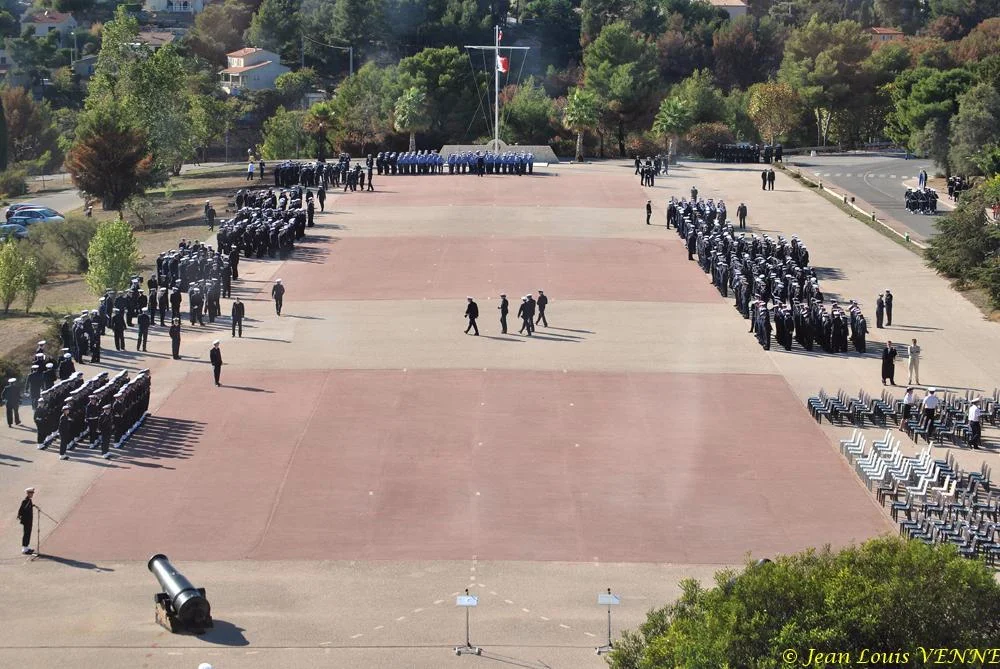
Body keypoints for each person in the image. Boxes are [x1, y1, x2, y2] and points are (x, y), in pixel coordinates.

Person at [17, 488, 34, 554]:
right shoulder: (25, 501)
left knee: (28, 533)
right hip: (26, 520)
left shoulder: (29, 500)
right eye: (31, 493)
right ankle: (24, 548)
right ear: (28, 493)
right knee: (26, 533)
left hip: (29, 520)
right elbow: (21, 510)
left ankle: (27, 546)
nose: (32, 494)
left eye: (32, 493)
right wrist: (19, 516)